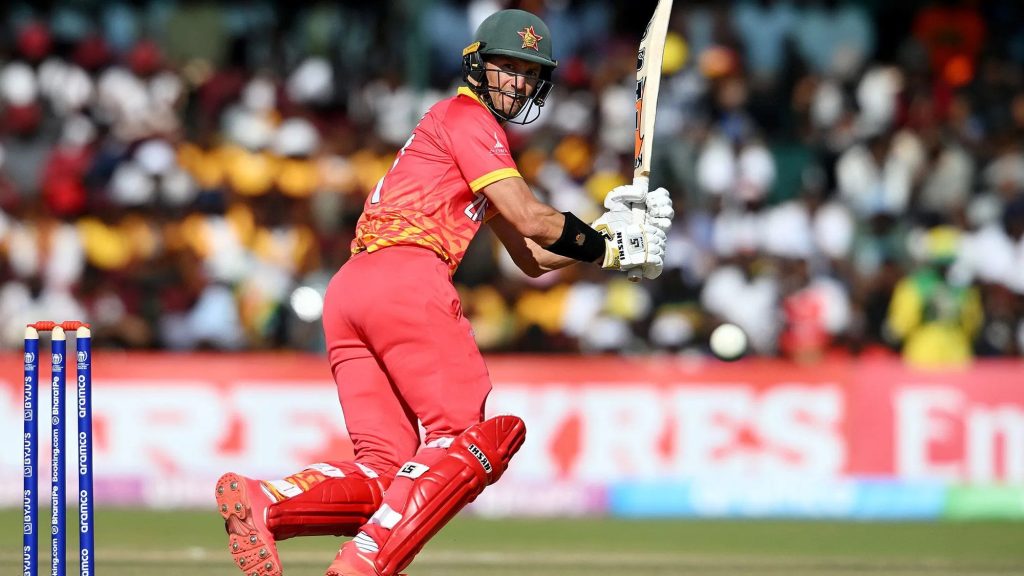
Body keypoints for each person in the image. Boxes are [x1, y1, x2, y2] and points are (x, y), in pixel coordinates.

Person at [213, 9, 674, 576]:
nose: (520, 83)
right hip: (408, 280)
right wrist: (608, 248)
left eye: (531, 73)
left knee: (387, 469)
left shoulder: (461, 135)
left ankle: (268, 502)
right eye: (509, 68)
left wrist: (607, 235)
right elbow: (532, 218)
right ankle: (364, 564)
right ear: (477, 66)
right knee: (465, 438)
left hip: (353, 290)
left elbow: (531, 259)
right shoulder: (468, 118)